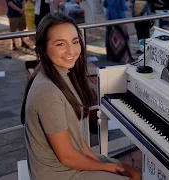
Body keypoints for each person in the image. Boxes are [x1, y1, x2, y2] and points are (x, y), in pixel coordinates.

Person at [20, 12, 141, 180]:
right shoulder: (48, 92)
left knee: (133, 172)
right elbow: (67, 156)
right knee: (130, 175)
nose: (71, 50)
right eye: (60, 44)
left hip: (70, 165)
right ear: (43, 47)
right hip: (61, 174)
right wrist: (105, 166)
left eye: (75, 41)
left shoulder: (61, 74)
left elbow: (73, 137)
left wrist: (99, 160)